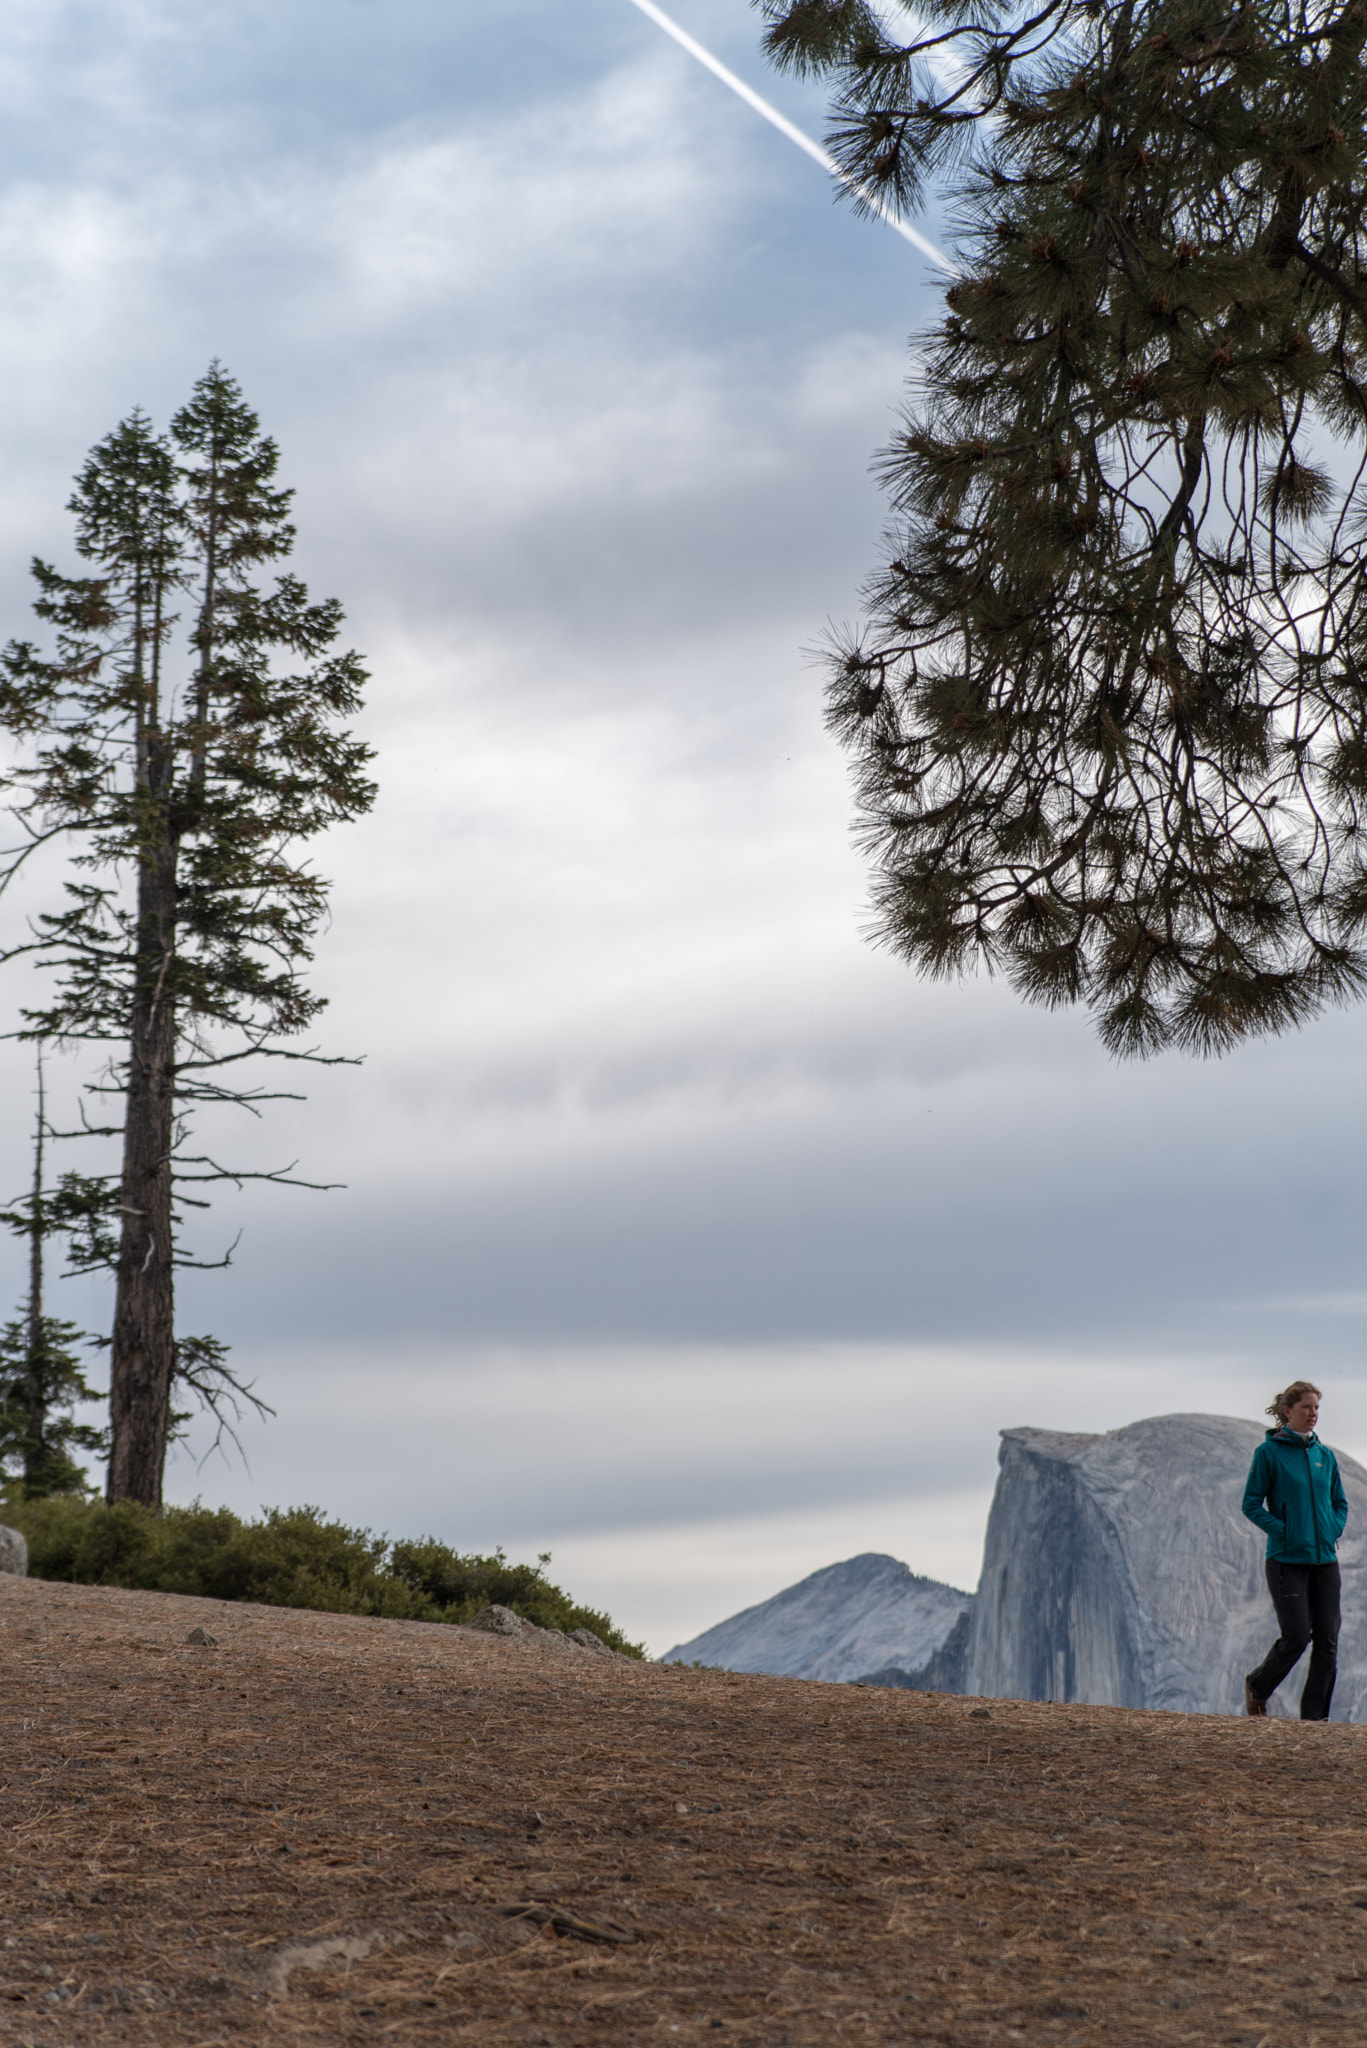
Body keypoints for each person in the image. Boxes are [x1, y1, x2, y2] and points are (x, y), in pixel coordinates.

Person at [1240, 1381, 1347, 1720]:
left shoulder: (1324, 1455)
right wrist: (1284, 1532)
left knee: (1328, 1640)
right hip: (1287, 1561)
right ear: (1288, 1411)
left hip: (1325, 1561)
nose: (1313, 1413)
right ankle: (1258, 1686)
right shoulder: (1268, 1453)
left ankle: (1315, 1721)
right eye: (1307, 1407)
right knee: (1297, 1637)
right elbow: (1251, 1504)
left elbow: (1339, 1502)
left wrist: (1332, 1528)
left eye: (1316, 1408)